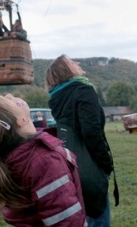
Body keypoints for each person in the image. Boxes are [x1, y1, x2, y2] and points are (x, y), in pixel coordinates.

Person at [0, 94, 87, 226]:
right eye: (9, 101)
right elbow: (67, 220)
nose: (9, 95)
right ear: (21, 120)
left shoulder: (11, 158)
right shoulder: (45, 161)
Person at [46, 55, 116, 226]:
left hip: (68, 163)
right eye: (72, 62)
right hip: (90, 167)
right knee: (98, 219)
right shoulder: (83, 90)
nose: (77, 63)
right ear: (65, 70)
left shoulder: (57, 97)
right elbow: (92, 132)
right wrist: (106, 163)